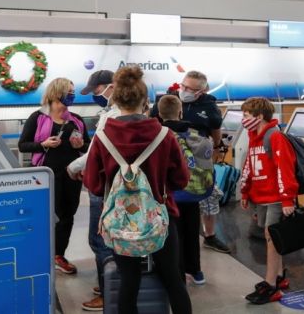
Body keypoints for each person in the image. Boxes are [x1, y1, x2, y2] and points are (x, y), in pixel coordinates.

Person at [84, 66, 192, 314]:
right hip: (161, 218)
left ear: (116, 99)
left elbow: (94, 184)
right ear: (145, 101)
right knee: (173, 280)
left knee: (128, 281)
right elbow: (181, 179)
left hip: (121, 222)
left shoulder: (103, 136)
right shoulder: (164, 135)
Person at [151, 71, 230, 254]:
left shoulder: (209, 107)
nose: (184, 90)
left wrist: (216, 152)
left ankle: (210, 236)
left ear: (200, 91)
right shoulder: (167, 101)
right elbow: (152, 122)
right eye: (183, 86)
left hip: (198, 162)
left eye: (189, 89)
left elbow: (215, 131)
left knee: (208, 197)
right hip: (169, 161)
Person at [18, 77, 90, 275]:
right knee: (48, 215)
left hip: (71, 175)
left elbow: (89, 146)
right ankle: (41, 255)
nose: (72, 96)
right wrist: (43, 144)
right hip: (45, 174)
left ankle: (59, 255)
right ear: (57, 92)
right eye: (69, 91)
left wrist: (80, 145)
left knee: (68, 214)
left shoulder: (76, 120)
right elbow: (23, 145)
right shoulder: (38, 118)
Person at [240, 97, 298, 304]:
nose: (243, 119)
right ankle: (279, 275)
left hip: (275, 197)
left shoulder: (275, 137)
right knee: (271, 238)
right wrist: (245, 192)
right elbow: (249, 166)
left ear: (259, 116)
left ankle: (271, 284)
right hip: (262, 197)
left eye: (246, 115)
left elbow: (285, 169)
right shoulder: (254, 137)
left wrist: (287, 199)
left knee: (272, 238)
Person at [67, 69, 116, 311]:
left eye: (97, 90)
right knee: (107, 241)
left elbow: (96, 150)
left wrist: (74, 166)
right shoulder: (120, 113)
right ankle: (109, 282)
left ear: (112, 87)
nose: (96, 96)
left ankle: (108, 292)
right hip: (111, 184)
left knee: (100, 241)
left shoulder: (112, 116)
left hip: (103, 186)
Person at [157, 94, 210, 285]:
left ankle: (178, 275)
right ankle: (196, 271)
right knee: (192, 233)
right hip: (194, 192)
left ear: (160, 114)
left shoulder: (160, 135)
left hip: (171, 194)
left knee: (174, 236)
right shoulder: (196, 133)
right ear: (180, 111)